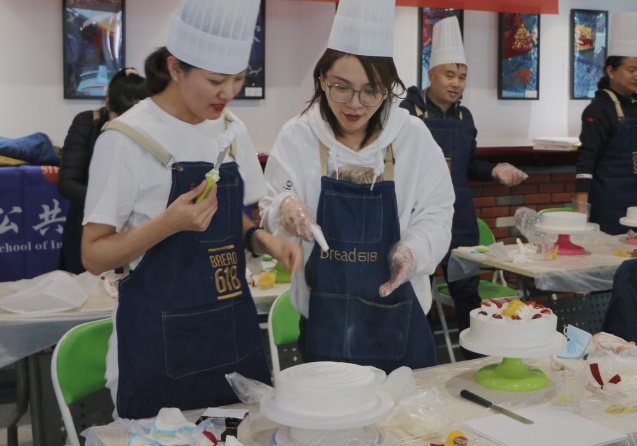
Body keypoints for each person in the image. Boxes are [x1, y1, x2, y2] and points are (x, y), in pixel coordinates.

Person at [81, 0, 302, 420]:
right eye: (215, 80)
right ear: (176, 68)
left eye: (238, 79)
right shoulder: (125, 139)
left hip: (231, 328)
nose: (228, 93)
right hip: (158, 343)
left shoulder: (232, 130)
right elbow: (93, 254)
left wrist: (262, 240)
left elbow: (230, 217)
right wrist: (167, 224)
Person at [259, 0, 455, 373]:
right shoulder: (298, 136)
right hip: (323, 321)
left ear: (388, 90)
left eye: (371, 91)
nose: (355, 104)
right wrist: (285, 209)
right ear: (322, 79)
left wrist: (412, 251)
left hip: (402, 321)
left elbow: (437, 212)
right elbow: (270, 208)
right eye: (341, 88)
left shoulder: (412, 137)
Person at [398, 17, 527, 359]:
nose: (457, 83)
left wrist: (495, 170)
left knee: (468, 296)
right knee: (417, 296)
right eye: (449, 75)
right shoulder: (407, 113)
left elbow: (469, 166)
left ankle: (476, 364)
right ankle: (420, 364)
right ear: (431, 74)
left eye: (463, 77)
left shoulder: (464, 117)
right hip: (418, 221)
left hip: (461, 222)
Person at [574, 12, 637, 235]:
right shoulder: (598, 110)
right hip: (609, 201)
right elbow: (587, 158)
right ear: (611, 71)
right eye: (631, 69)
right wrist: (580, 204)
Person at [58, 67, 147, 274]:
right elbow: (67, 183)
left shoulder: (149, 129)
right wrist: (112, 204)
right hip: (89, 227)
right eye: (121, 118)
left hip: (136, 232)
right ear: (108, 103)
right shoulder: (86, 123)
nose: (127, 127)